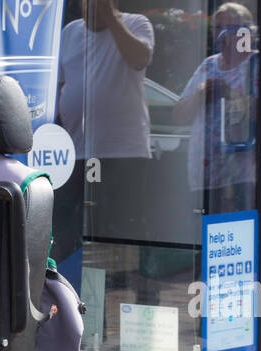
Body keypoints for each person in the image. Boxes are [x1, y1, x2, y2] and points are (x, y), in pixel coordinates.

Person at [52, 0, 155, 274]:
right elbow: (60, 84)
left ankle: (139, 283)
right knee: (63, 217)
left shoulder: (135, 24)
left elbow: (139, 59)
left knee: (125, 222)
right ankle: (68, 278)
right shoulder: (70, 32)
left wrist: (111, 20)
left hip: (123, 149)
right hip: (76, 148)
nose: (91, 6)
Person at [174, 2, 259, 214]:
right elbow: (178, 116)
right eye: (217, 29)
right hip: (205, 171)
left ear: (246, 32)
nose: (222, 36)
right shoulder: (209, 64)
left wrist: (229, 93)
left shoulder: (255, 63)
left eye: (228, 28)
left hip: (242, 174)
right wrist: (200, 95)